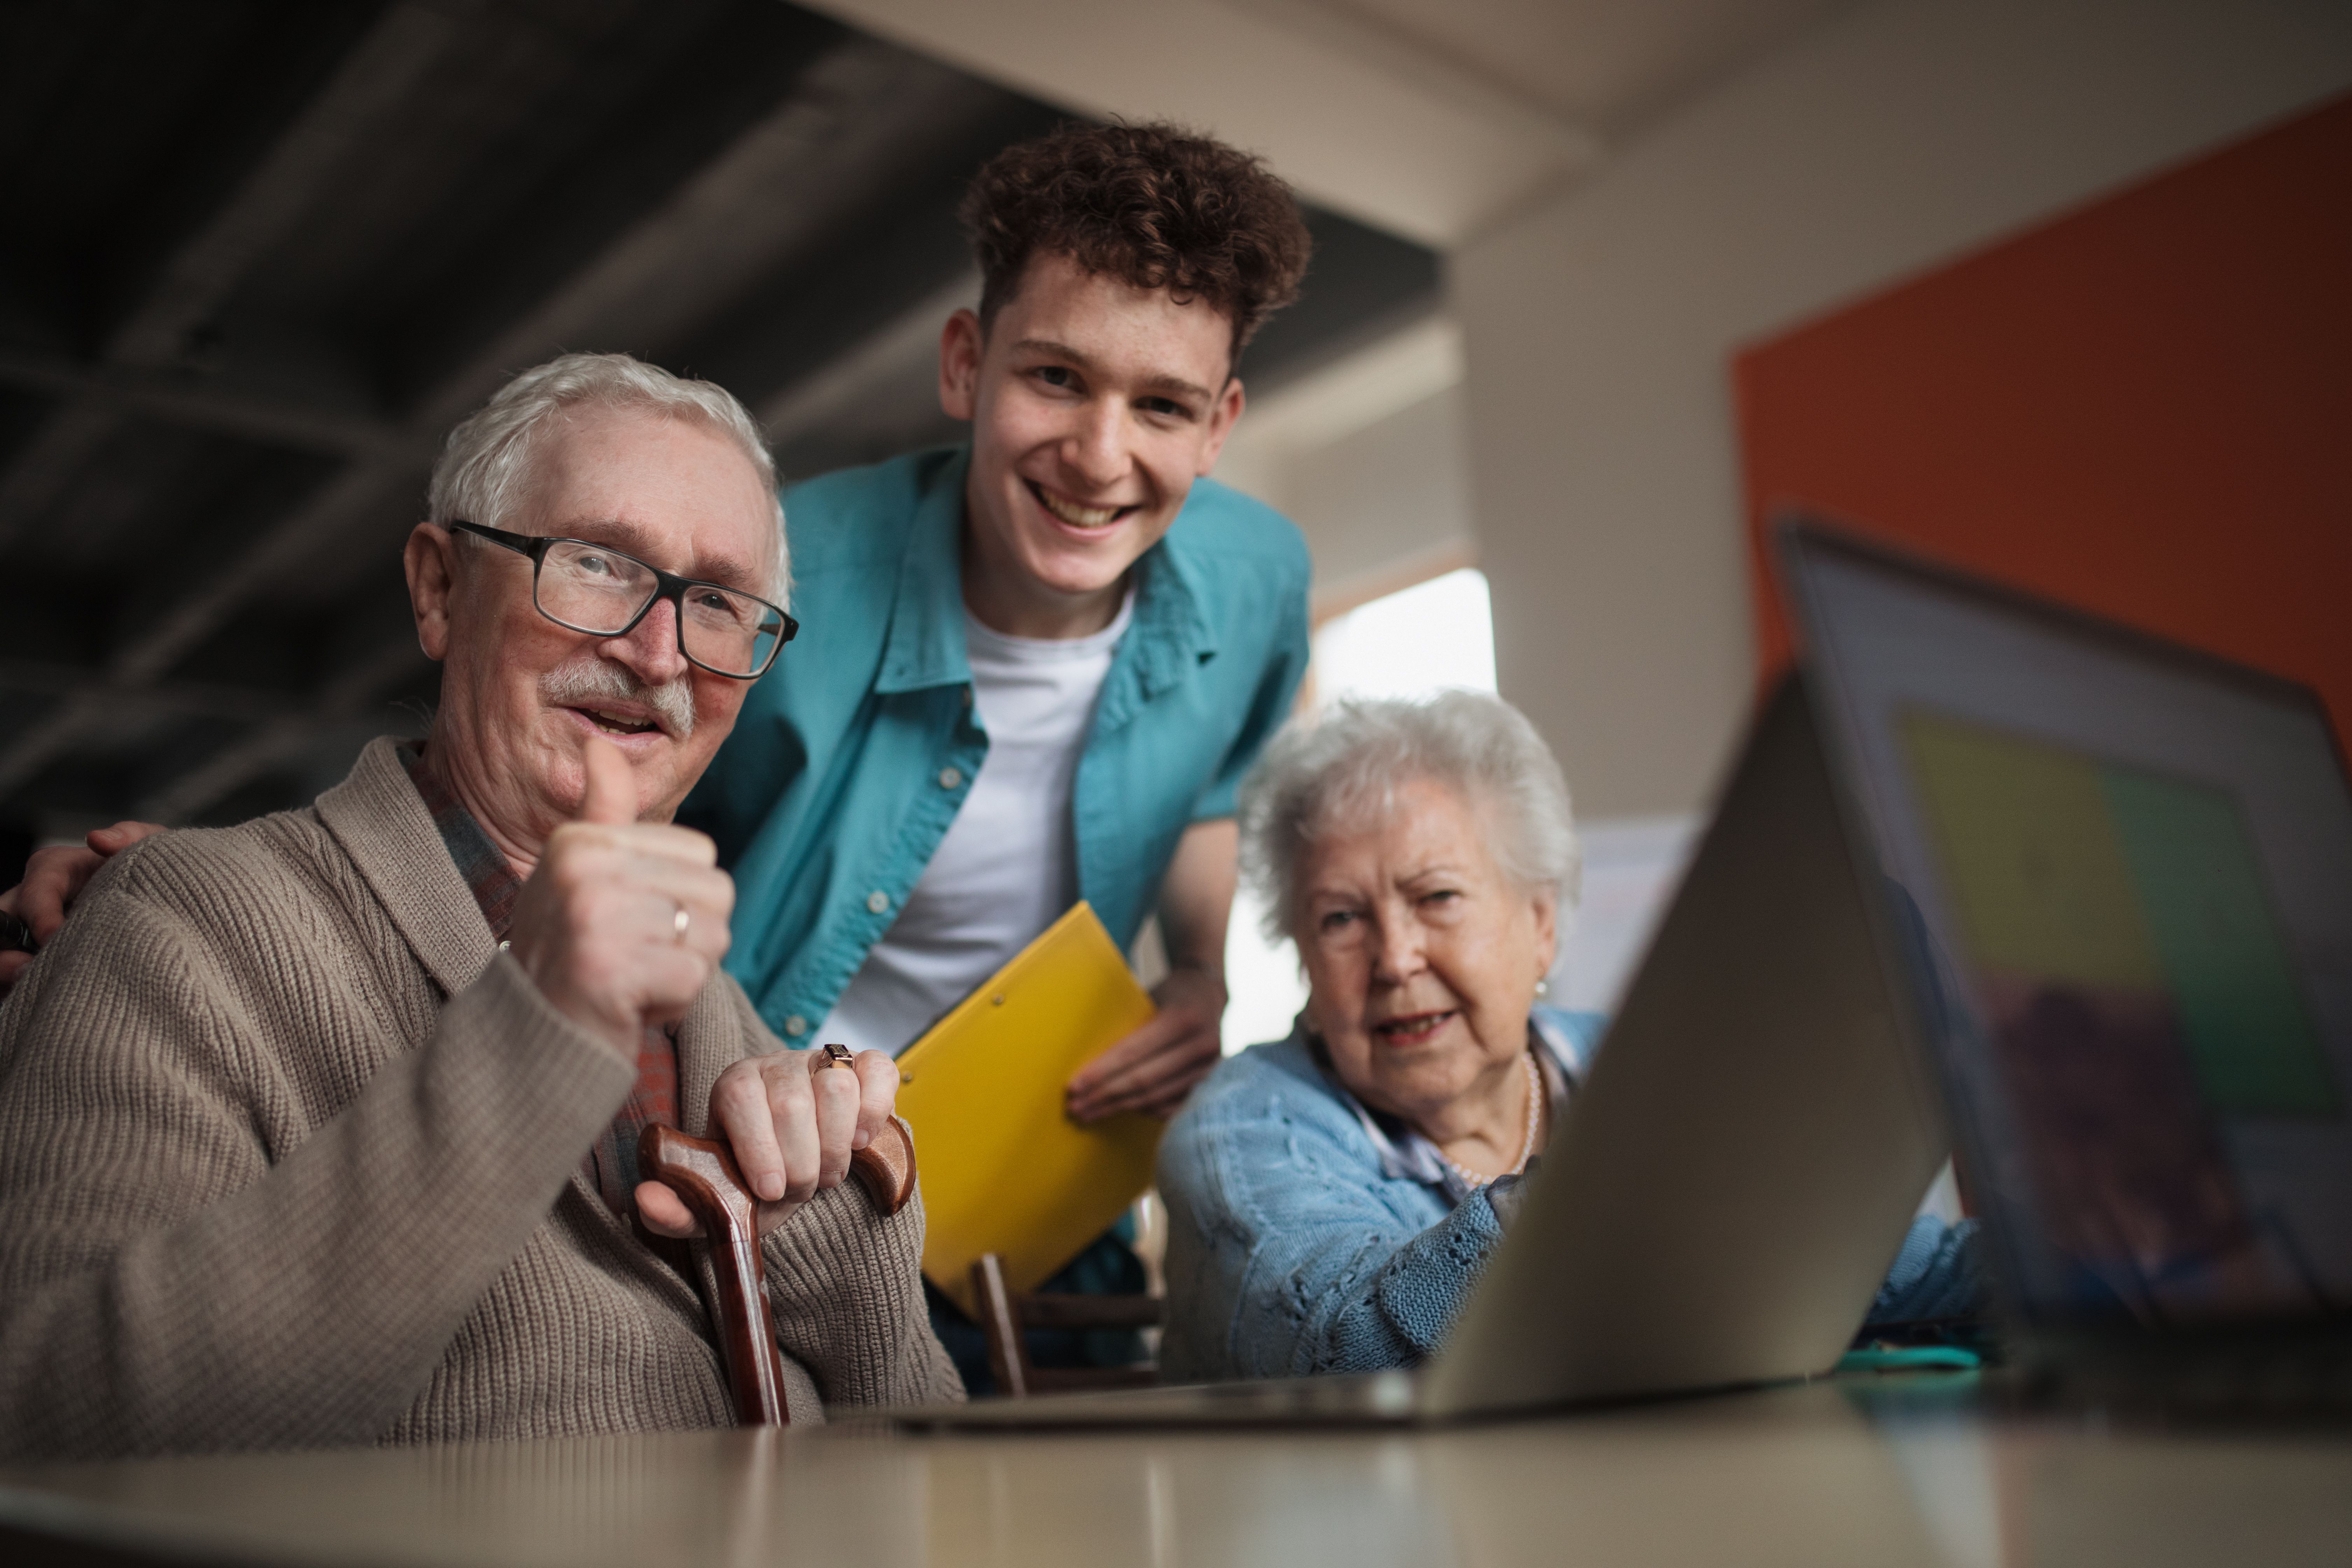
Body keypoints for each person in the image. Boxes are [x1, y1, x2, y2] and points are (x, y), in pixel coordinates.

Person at [0, 354, 959, 1462]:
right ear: (440, 591)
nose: (659, 656)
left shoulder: (724, 1015)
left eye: (719, 604)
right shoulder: (178, 929)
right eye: (598, 563)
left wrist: (840, 1236)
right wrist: (530, 1037)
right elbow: (43, 1433)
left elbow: (933, 1483)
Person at [676, 121, 1315, 1382]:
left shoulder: (1260, 584)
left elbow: (1215, 794)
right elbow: (615, 845)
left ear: (1220, 423)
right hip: (763, 1182)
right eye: (1058, 378)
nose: (1099, 455)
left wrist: (1198, 975)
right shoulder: (781, 581)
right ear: (966, 364)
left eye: (1164, 406)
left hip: (1036, 1194)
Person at [1154, 692, 1980, 1382]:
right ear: (1301, 954)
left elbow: (1894, 1266)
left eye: (1436, 896)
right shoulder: (1245, 1127)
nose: (1396, 958)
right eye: (1340, 918)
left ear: (1540, 924)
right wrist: (1636, 1190)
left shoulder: (1622, 1063)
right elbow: (1344, 1341)